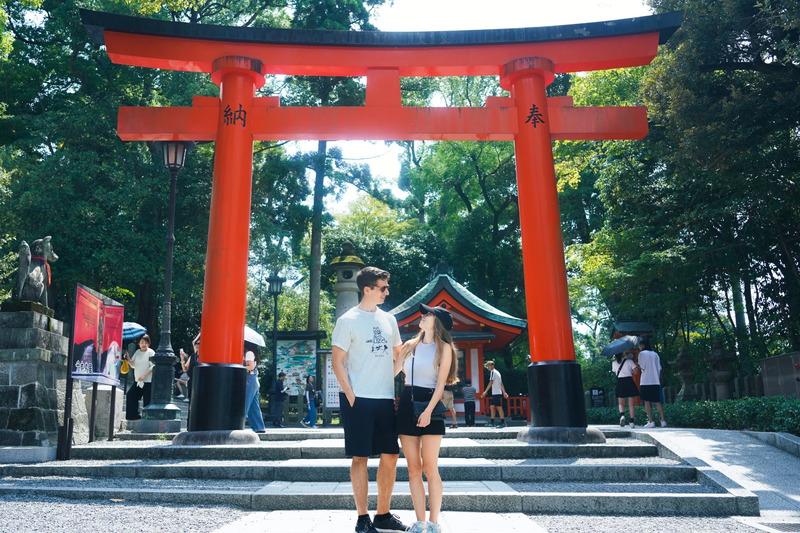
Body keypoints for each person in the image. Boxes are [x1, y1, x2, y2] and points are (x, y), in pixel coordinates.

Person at [331, 266, 408, 533]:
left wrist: (394, 372)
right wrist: (350, 393)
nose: (387, 291)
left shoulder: (390, 320)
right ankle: (362, 518)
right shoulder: (347, 320)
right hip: (358, 398)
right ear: (368, 289)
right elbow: (337, 361)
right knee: (360, 457)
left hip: (385, 397)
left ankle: (383, 514)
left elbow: (399, 355)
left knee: (391, 455)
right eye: (383, 287)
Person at [395, 304, 458, 533]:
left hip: (431, 403)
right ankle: (419, 521)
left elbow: (441, 384)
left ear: (437, 321)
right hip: (408, 401)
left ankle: (434, 523)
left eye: (427, 314)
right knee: (413, 468)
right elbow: (394, 371)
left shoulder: (444, 348)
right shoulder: (409, 345)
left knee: (430, 467)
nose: (422, 316)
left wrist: (429, 411)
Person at [638, 339, 667, 428]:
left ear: (642, 345)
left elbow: (642, 367)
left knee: (647, 402)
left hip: (645, 381)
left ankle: (651, 422)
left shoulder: (641, 354)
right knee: (657, 402)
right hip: (655, 381)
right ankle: (663, 421)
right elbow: (659, 368)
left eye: (639, 345)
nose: (639, 347)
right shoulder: (655, 354)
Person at [125, 335, 154, 421]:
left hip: (148, 381)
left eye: (145, 342)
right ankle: (133, 416)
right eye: (141, 342)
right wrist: (128, 358)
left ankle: (147, 419)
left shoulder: (151, 352)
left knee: (147, 401)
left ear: (148, 343)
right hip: (138, 381)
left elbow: (152, 366)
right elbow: (133, 365)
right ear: (139, 344)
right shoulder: (137, 352)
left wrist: (144, 375)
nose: (143, 344)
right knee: (130, 395)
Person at [613, 351, 639, 428]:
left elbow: (615, 373)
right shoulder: (629, 361)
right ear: (623, 353)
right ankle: (631, 422)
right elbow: (636, 372)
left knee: (621, 403)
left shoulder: (614, 363)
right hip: (629, 381)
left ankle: (622, 415)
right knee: (631, 404)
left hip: (620, 382)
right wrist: (636, 366)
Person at [480, 360, 509, 428]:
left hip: (496, 393)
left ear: (492, 365)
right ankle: (492, 421)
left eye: (488, 366)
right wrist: (504, 392)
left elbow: (491, 382)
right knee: (492, 406)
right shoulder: (498, 372)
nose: (488, 367)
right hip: (497, 393)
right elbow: (501, 383)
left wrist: (485, 391)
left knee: (499, 407)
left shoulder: (493, 372)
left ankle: (503, 422)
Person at [243, 351, 266, 433]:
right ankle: (259, 427)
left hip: (250, 380)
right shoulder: (250, 353)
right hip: (253, 379)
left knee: (245, 403)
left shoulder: (248, 353)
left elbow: (251, 367)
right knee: (254, 406)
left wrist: (241, 368)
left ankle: (240, 424)